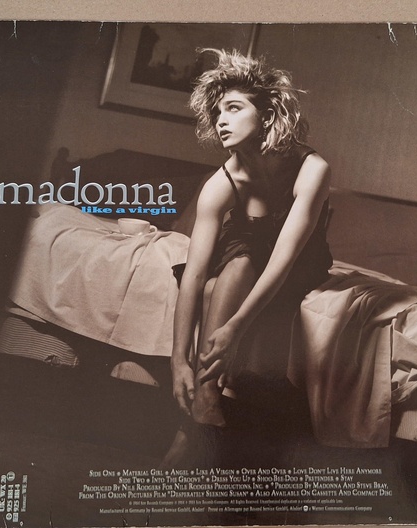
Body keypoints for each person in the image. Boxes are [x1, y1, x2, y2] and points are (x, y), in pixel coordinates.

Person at [163, 48, 332, 467]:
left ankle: (191, 429)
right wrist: (178, 360)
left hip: (299, 259)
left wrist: (235, 328)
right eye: (218, 111)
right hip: (242, 252)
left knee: (229, 280)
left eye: (234, 108)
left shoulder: (312, 168)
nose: (221, 120)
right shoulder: (221, 183)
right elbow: (194, 274)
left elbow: (284, 259)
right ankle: (205, 399)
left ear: (268, 114)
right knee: (232, 267)